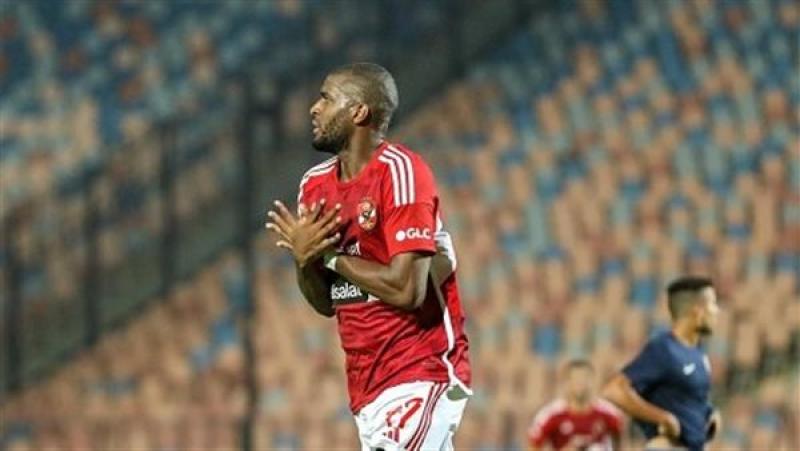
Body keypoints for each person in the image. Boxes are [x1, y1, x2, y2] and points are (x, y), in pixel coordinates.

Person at [265, 62, 471, 451]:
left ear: (359, 111)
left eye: (326, 98)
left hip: (423, 369)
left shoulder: (401, 172)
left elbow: (408, 290)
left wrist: (329, 257)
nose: (313, 108)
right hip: (366, 388)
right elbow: (325, 303)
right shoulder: (314, 185)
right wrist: (304, 260)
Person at [601, 276, 722, 450]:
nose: (717, 311)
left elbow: (687, 399)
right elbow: (614, 390)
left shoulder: (698, 353)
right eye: (713, 304)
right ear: (697, 311)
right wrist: (661, 418)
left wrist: (710, 413)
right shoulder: (664, 349)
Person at [528, 359, 624, 451]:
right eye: (575, 379)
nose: (580, 383)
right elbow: (534, 446)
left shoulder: (609, 412)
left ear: (592, 381)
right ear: (567, 382)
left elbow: (618, 441)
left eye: (585, 378)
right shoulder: (550, 415)